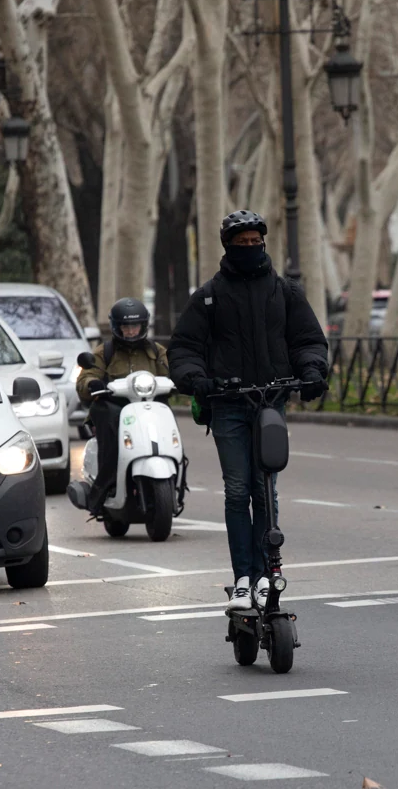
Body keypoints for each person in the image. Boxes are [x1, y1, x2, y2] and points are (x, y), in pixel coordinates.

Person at [168, 210, 328, 612]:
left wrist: (312, 371)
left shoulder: (284, 292)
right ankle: (243, 578)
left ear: (264, 242)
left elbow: (308, 339)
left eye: (256, 242)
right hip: (227, 407)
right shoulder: (208, 296)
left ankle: (265, 576)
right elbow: (184, 348)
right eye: (242, 244)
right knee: (239, 490)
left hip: (270, 406)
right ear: (228, 247)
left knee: (265, 490)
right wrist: (196, 377)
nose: (250, 248)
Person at [76, 297, 169, 517]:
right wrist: (93, 383)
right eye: (125, 327)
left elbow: (171, 373)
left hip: (148, 406)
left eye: (134, 326)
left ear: (143, 326)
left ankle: (175, 469)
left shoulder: (157, 352)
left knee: (167, 419)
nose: (130, 331)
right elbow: (85, 379)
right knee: (108, 421)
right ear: (117, 327)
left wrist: (185, 379)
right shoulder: (103, 352)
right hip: (114, 407)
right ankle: (103, 485)